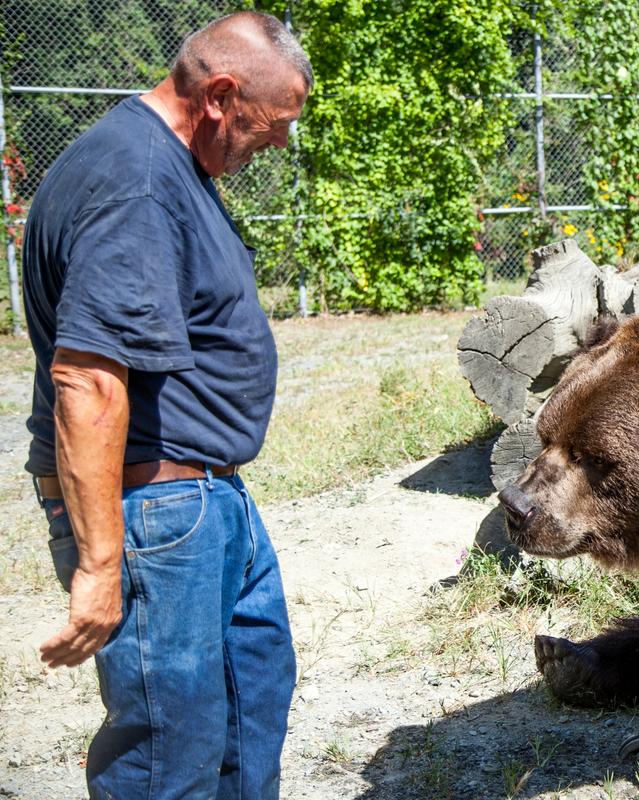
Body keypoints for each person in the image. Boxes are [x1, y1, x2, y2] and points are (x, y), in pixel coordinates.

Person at [21, 12, 311, 799]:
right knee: (168, 756)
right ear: (220, 95)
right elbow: (87, 379)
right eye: (275, 122)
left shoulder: (169, 167)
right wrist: (101, 564)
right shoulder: (136, 180)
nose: (280, 142)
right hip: (156, 508)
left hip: (206, 498)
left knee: (249, 705)